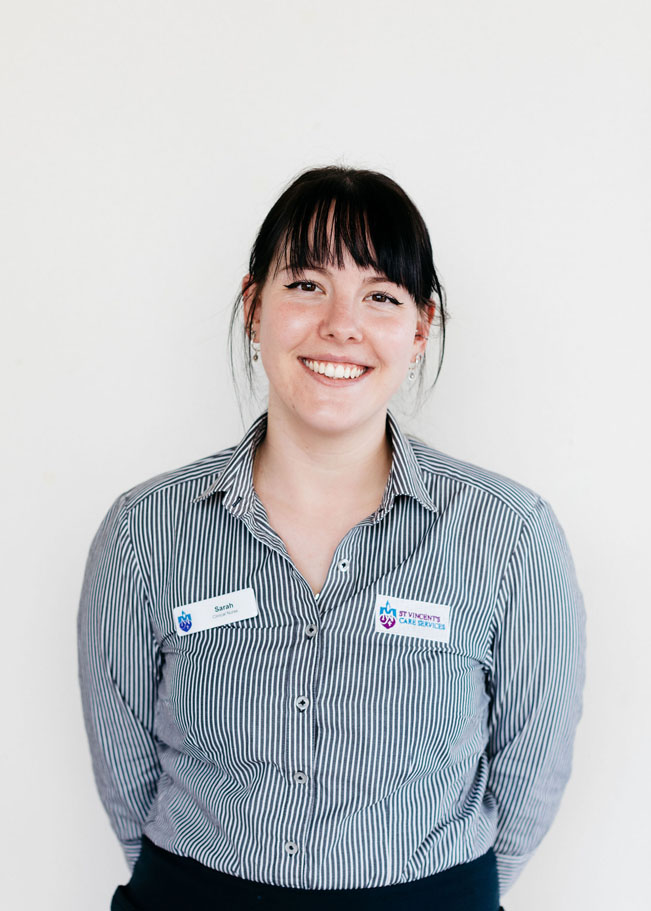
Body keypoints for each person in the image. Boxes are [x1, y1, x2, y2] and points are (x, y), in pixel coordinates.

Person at [78, 165, 586, 911]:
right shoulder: (142, 530)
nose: (340, 325)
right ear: (253, 307)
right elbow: (126, 772)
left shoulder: (510, 535)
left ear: (419, 329)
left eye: (379, 295)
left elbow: (529, 770)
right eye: (306, 285)